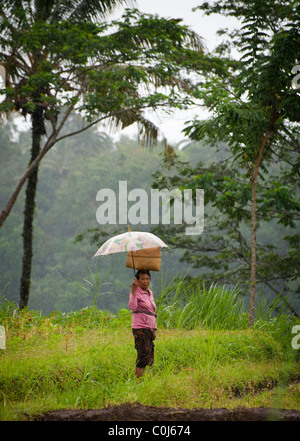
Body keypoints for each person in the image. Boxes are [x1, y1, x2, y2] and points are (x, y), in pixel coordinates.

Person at [128, 269, 157, 378]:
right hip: (140, 327)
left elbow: (151, 311)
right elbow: (133, 306)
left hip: (149, 327)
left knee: (149, 353)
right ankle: (138, 381)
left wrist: (154, 329)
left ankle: (142, 377)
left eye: (147, 278)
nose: (146, 281)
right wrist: (134, 291)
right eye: (143, 279)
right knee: (142, 354)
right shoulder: (135, 292)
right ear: (137, 280)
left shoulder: (149, 293)